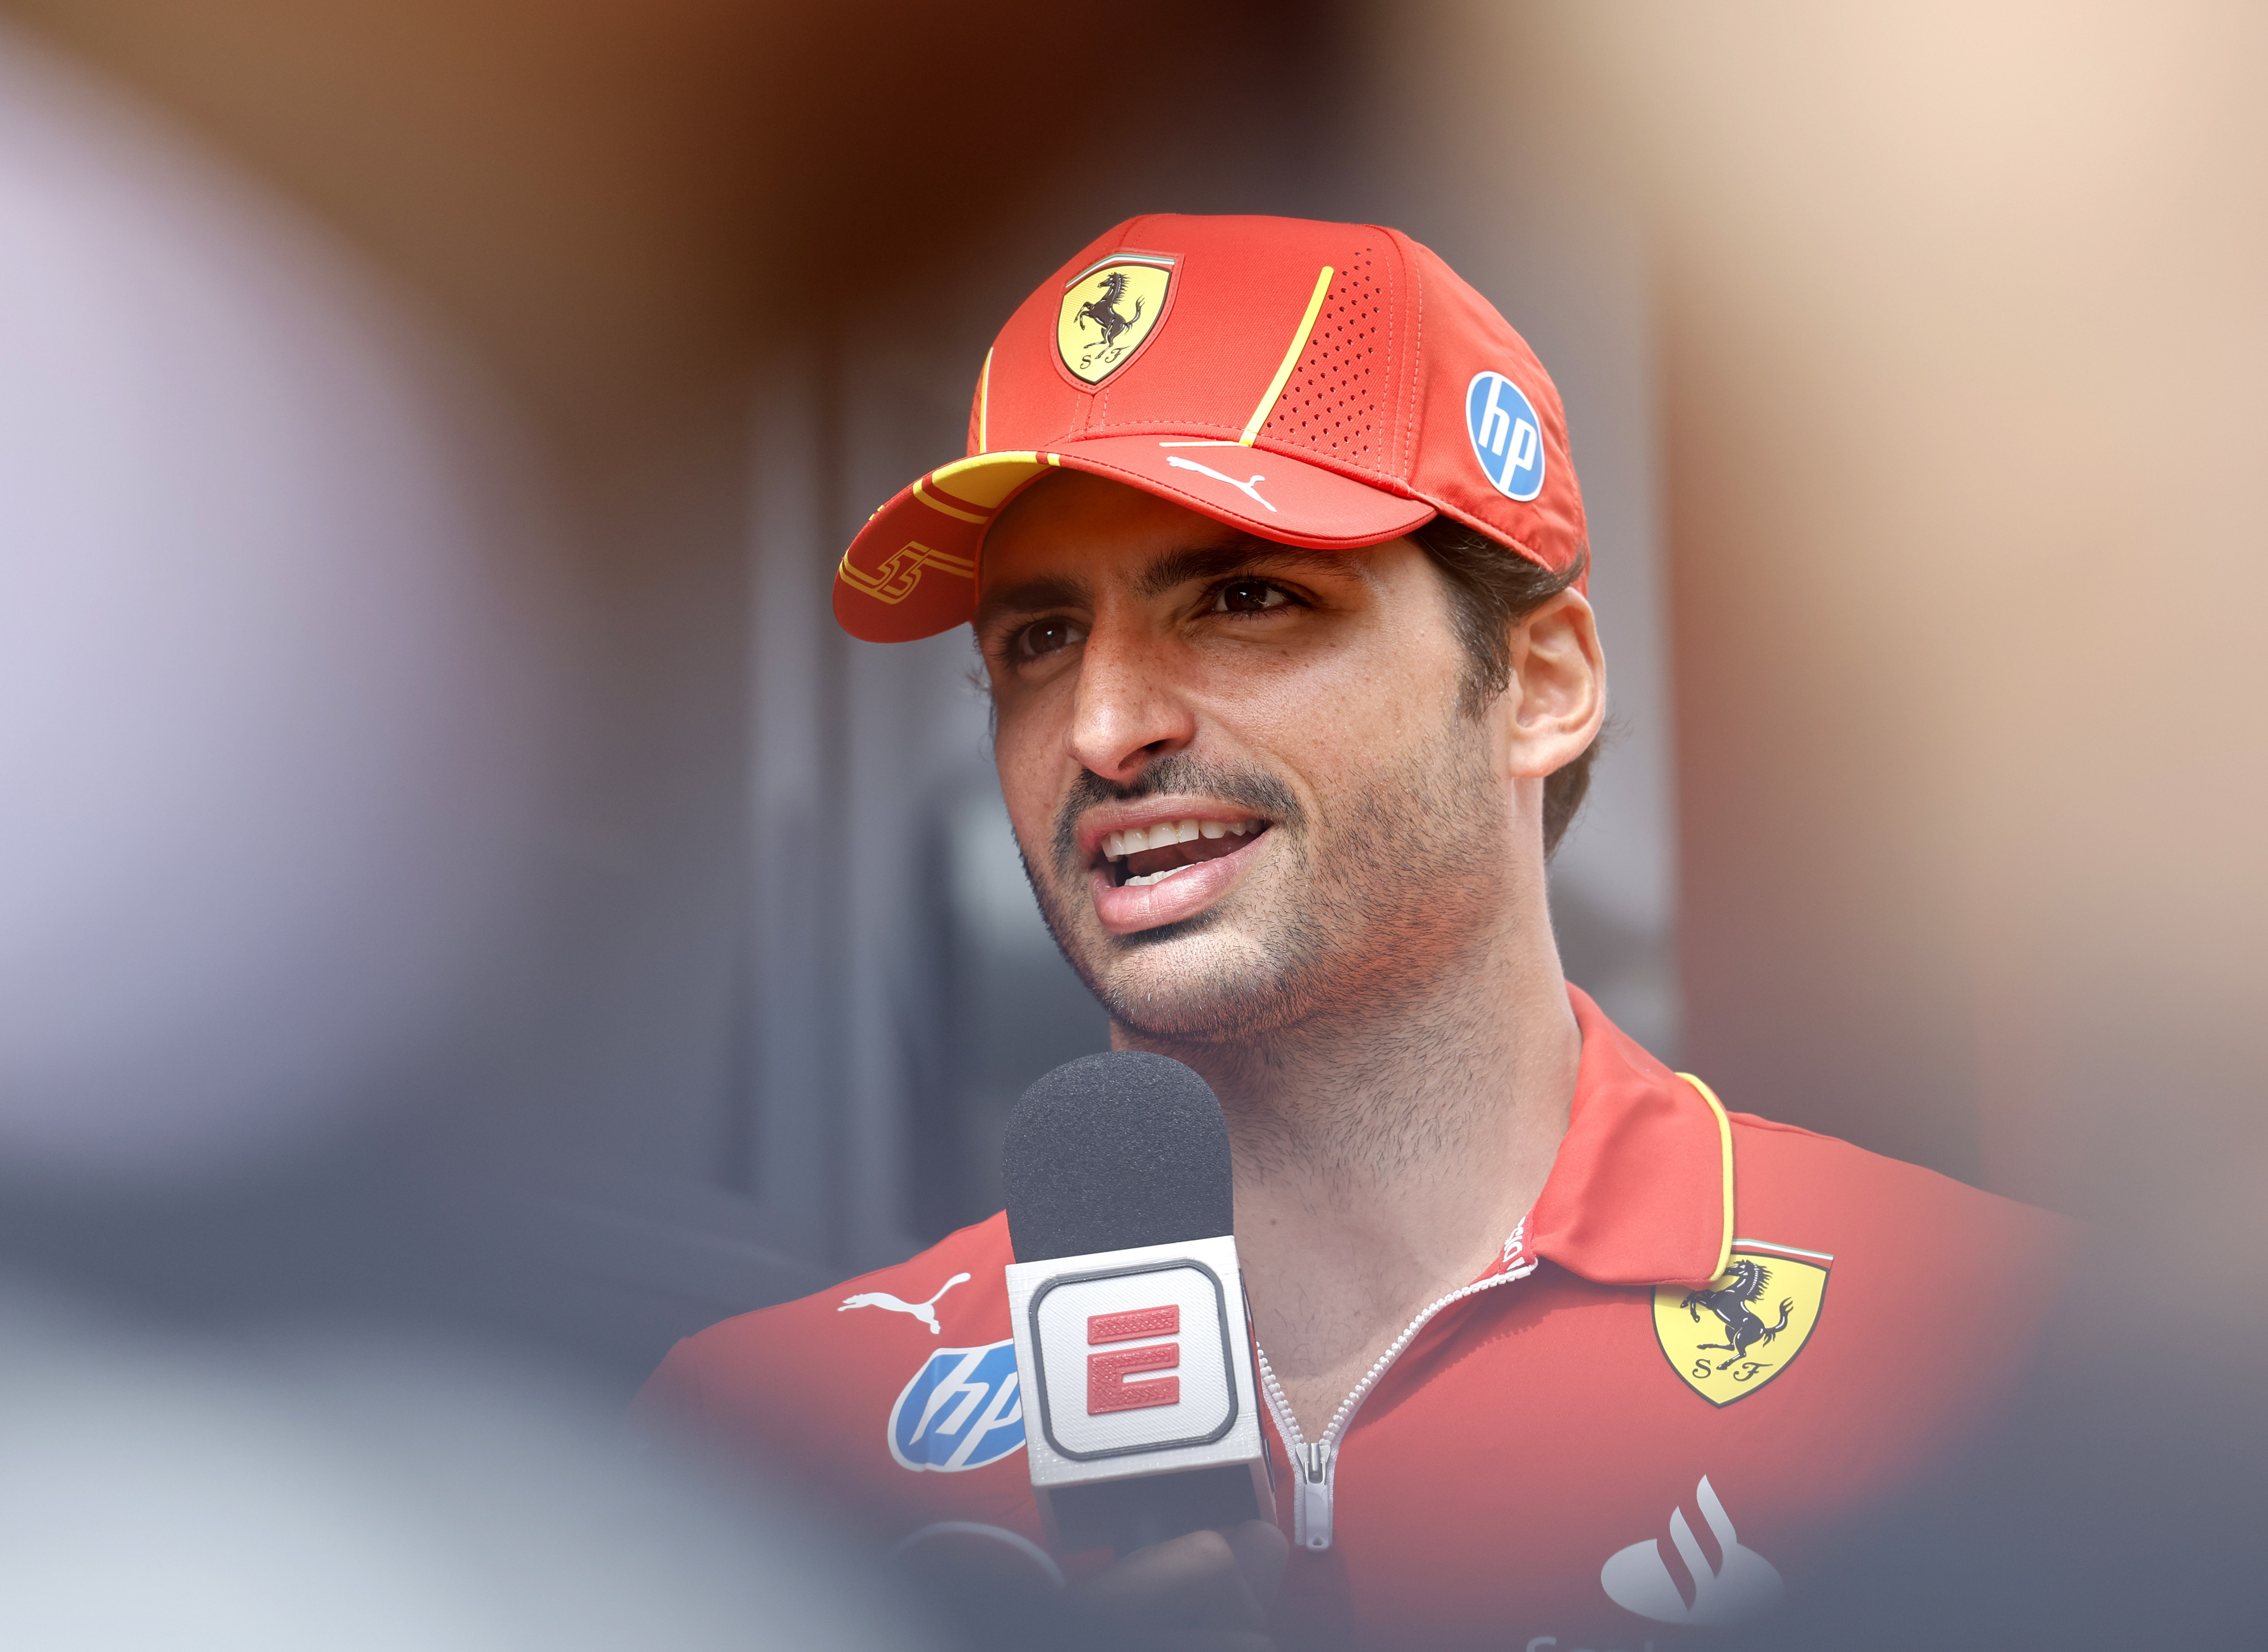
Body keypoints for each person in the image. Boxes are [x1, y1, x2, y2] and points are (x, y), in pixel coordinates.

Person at [633, 215, 2070, 1650]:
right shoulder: (754, 1449)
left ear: (1542, 682)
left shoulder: (2002, 1353)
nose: (1107, 728)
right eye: (1039, 640)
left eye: (1248, 599)